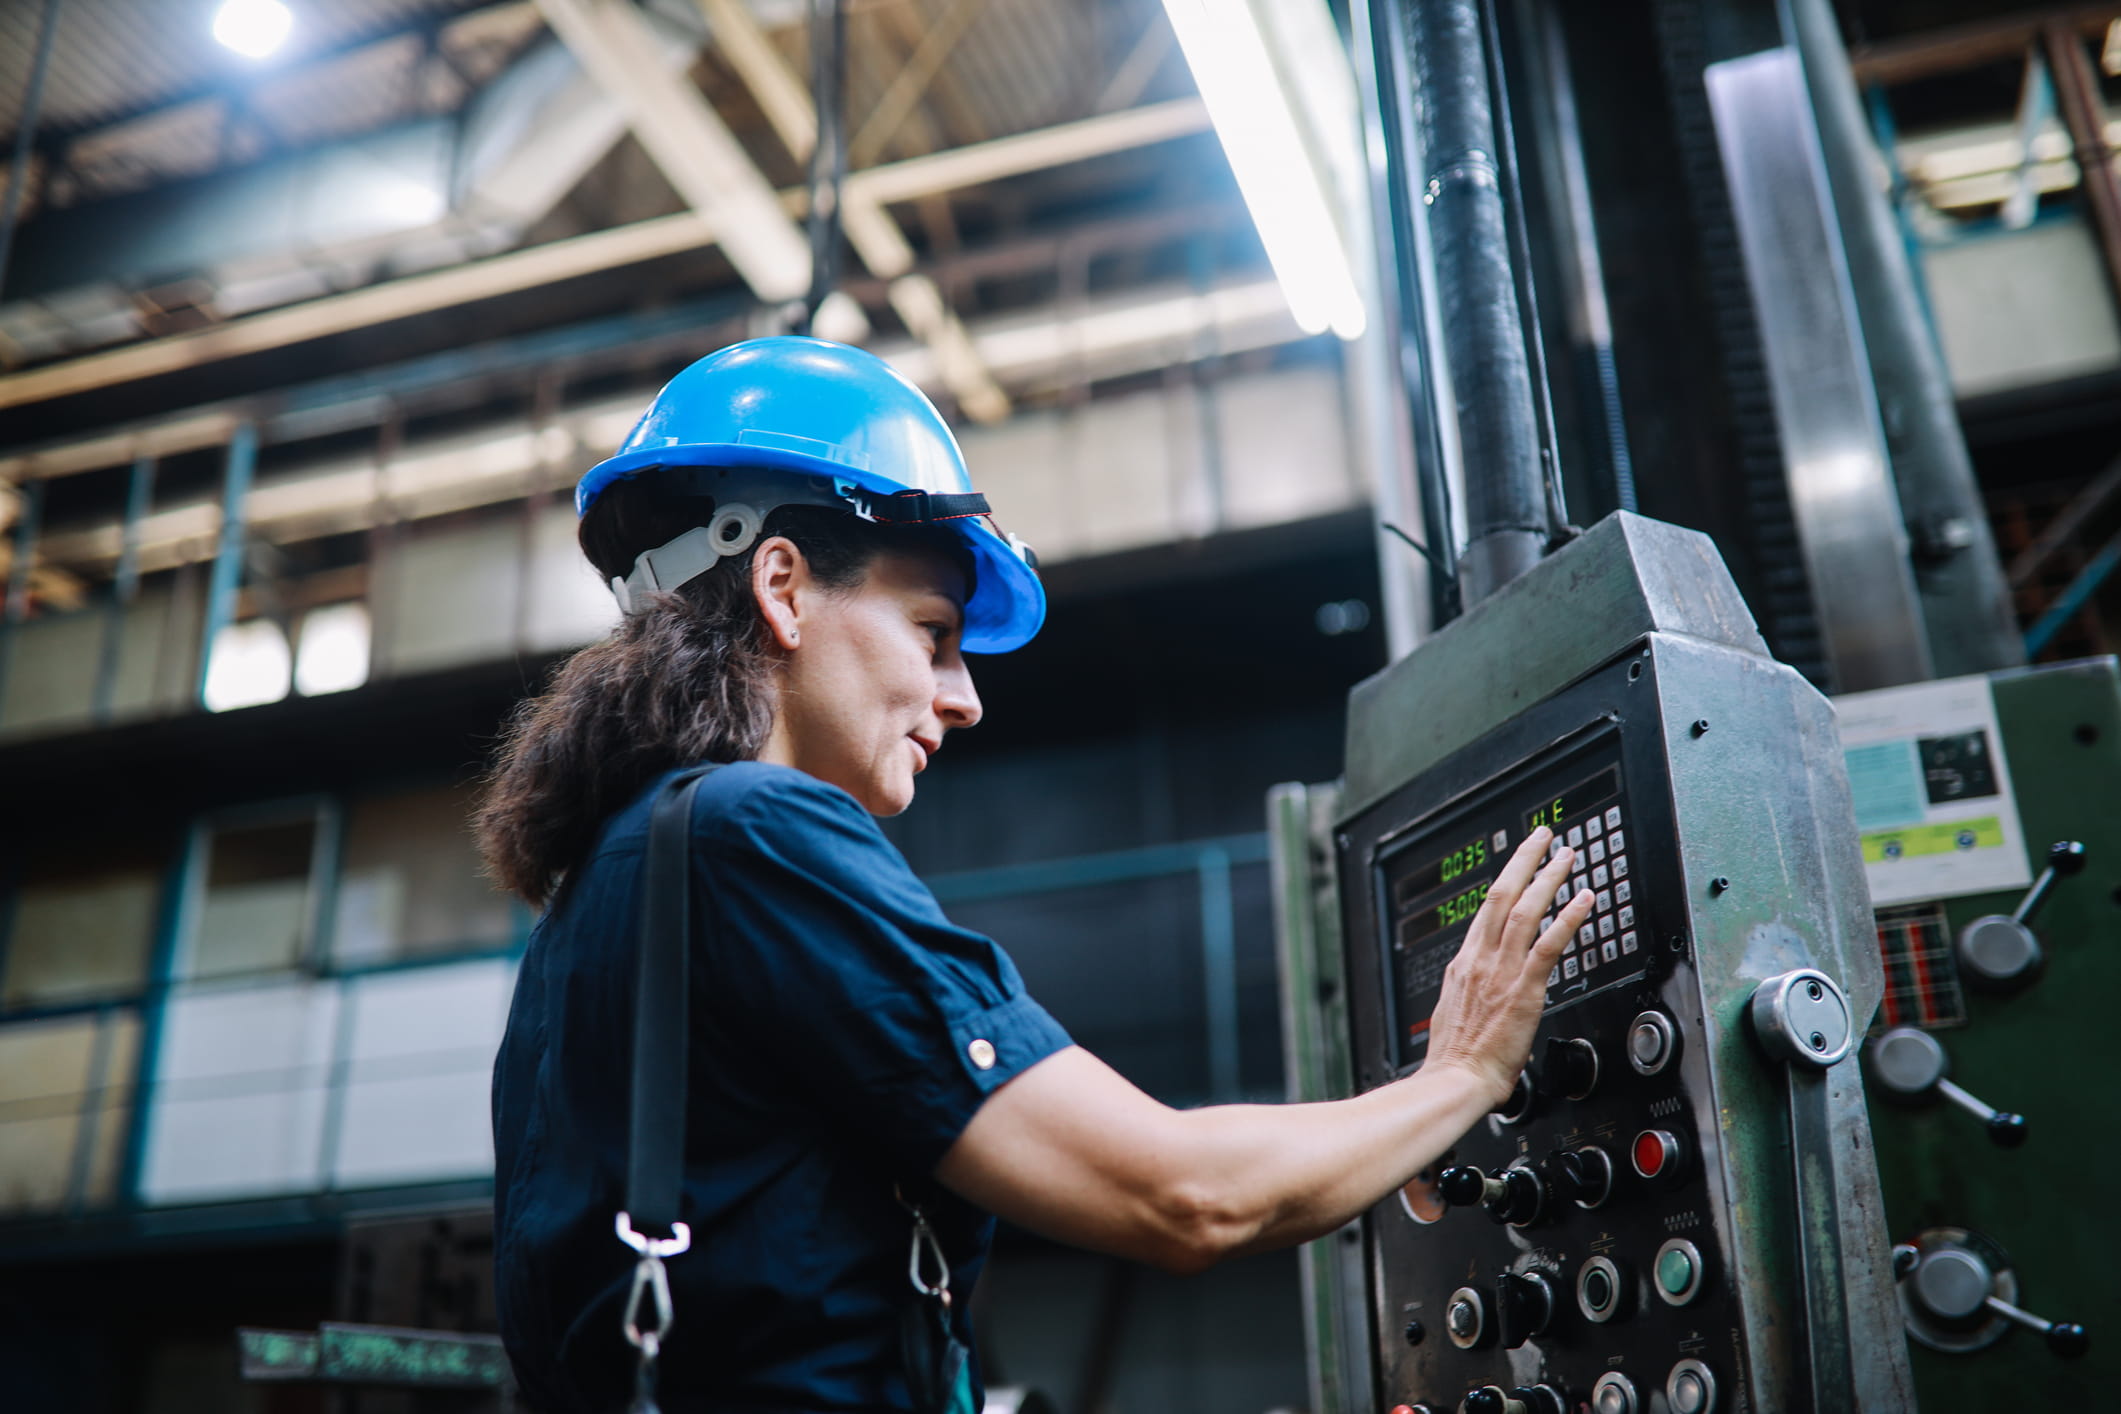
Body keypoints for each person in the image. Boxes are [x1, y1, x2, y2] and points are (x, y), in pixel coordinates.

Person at [481, 336, 1594, 1414]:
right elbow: (1182, 1195)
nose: (963, 698)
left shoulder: (594, 896)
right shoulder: (758, 835)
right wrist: (1460, 1076)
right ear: (783, 585)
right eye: (934, 632)